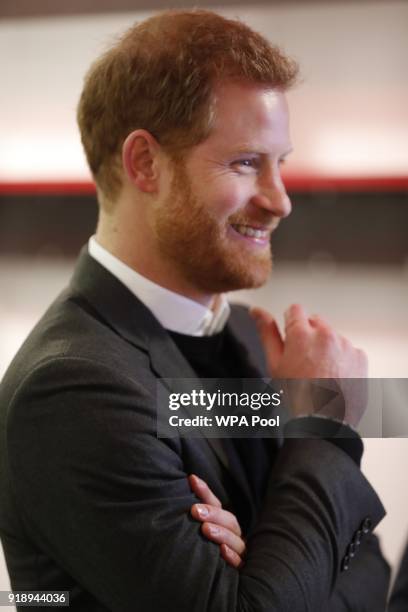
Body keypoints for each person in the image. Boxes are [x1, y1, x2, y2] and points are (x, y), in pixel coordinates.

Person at [0, 9, 390, 611]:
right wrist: (323, 426)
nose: (281, 200)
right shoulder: (74, 388)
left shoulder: (249, 337)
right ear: (145, 164)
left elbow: (367, 564)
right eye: (244, 162)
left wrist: (272, 564)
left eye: (279, 162)